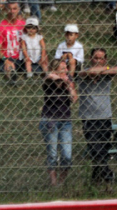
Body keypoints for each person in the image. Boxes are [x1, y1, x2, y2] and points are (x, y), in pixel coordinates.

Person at [75, 48, 117, 185]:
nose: (98, 61)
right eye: (95, 58)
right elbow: (90, 72)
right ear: (91, 59)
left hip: (105, 117)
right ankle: (108, 175)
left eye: (101, 58)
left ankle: (95, 179)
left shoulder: (106, 74)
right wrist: (105, 69)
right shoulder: (82, 73)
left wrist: (104, 70)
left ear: (105, 60)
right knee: (95, 149)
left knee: (103, 150)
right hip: (89, 118)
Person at [39, 58, 77, 186]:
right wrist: (61, 79)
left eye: (66, 68)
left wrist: (69, 87)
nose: (66, 70)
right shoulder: (49, 80)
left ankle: (61, 182)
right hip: (50, 120)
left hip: (65, 120)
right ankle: (54, 184)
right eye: (62, 68)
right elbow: (49, 77)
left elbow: (74, 99)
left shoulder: (68, 80)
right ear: (55, 70)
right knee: (53, 154)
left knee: (67, 155)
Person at [0, 2, 26, 79]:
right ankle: (11, 76)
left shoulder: (24, 25)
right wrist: (5, 60)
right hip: (8, 58)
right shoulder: (0, 27)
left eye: (14, 9)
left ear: (18, 9)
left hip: (22, 58)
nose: (12, 11)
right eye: (9, 9)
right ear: (6, 10)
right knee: (8, 68)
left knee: (37, 69)